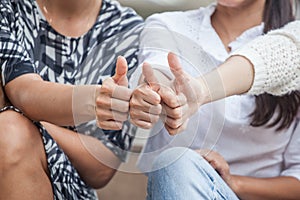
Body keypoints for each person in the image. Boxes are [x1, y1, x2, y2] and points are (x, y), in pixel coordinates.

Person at [130, 0, 300, 199]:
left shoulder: (291, 42)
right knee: (176, 161)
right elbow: (158, 71)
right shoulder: (168, 25)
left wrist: (232, 182)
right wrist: (155, 93)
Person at [0, 0, 143, 199]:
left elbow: (101, 167)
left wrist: (27, 123)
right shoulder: (10, 9)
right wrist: (93, 100)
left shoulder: (129, 30)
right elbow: (24, 90)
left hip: (69, 188)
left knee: (9, 131)